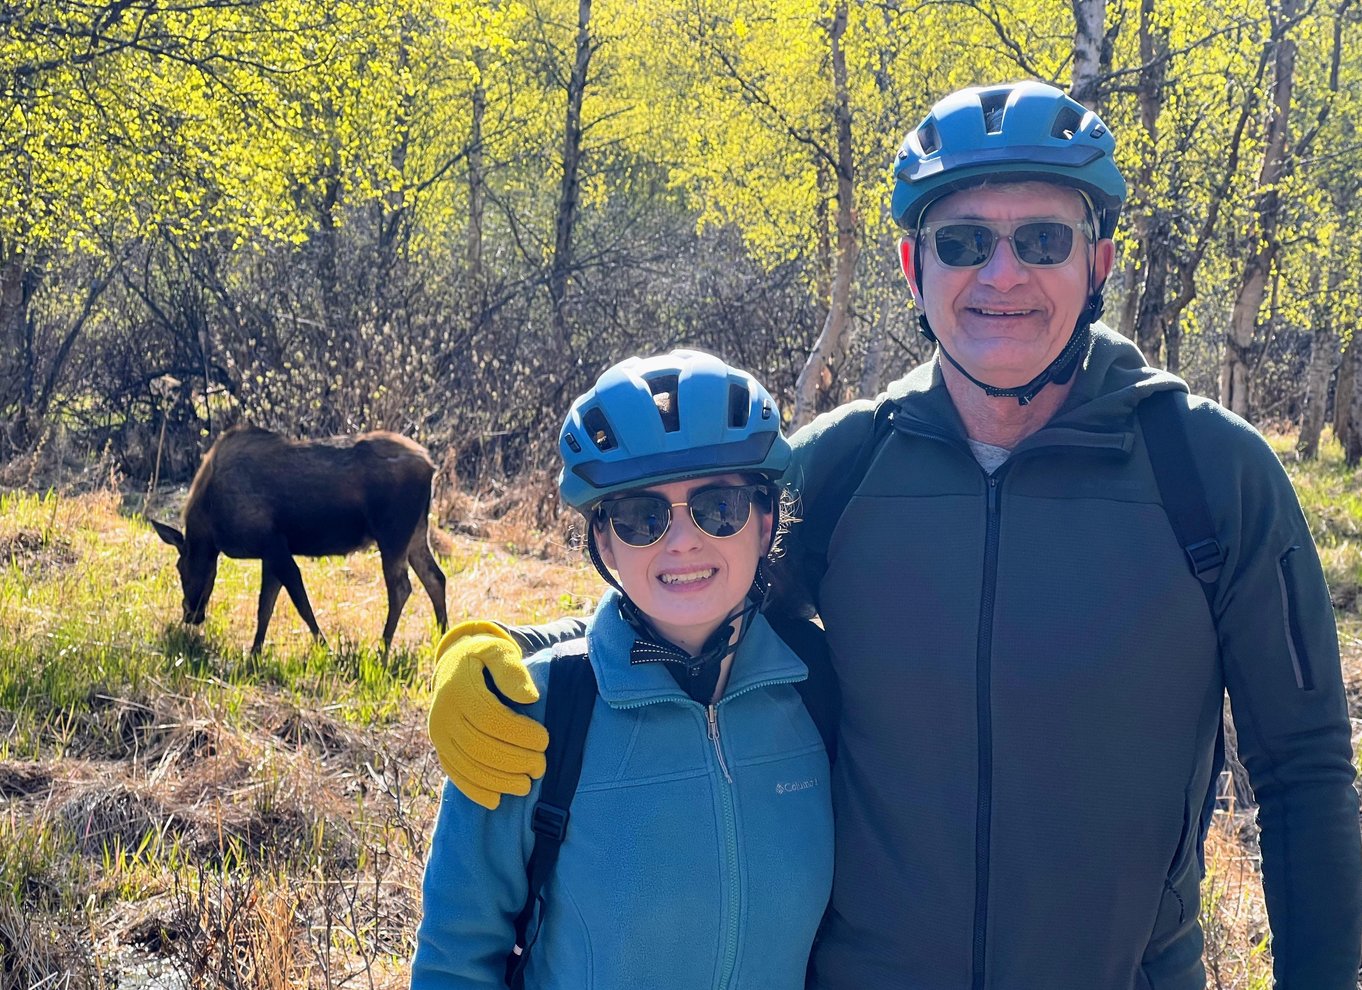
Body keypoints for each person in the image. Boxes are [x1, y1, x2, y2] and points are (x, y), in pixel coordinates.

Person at [423, 82, 1362, 989]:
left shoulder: (1210, 475)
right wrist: (512, 650)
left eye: (1042, 238)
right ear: (916, 269)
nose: (1003, 274)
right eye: (962, 242)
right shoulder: (843, 469)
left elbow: (1305, 773)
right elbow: (689, 586)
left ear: (1100, 263)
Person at [411, 350, 833, 989]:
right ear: (602, 541)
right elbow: (454, 964)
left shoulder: (821, 689)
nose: (682, 541)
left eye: (719, 507)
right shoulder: (528, 712)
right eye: (643, 517)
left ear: (767, 518)